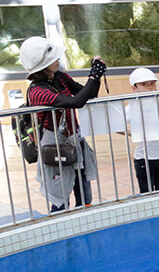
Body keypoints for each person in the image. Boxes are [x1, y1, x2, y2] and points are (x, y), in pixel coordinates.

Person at [20, 36, 105, 212]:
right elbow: (75, 102)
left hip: (73, 139)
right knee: (60, 196)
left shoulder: (60, 77)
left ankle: (85, 222)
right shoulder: (38, 91)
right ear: (43, 64)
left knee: (83, 190)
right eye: (54, 58)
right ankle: (62, 230)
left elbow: (86, 93)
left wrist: (95, 76)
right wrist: (93, 75)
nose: (58, 60)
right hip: (54, 145)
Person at [123, 67, 159, 193]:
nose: (149, 87)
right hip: (144, 158)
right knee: (146, 192)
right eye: (144, 84)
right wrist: (135, 134)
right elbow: (115, 125)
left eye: (152, 83)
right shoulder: (131, 108)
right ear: (134, 88)